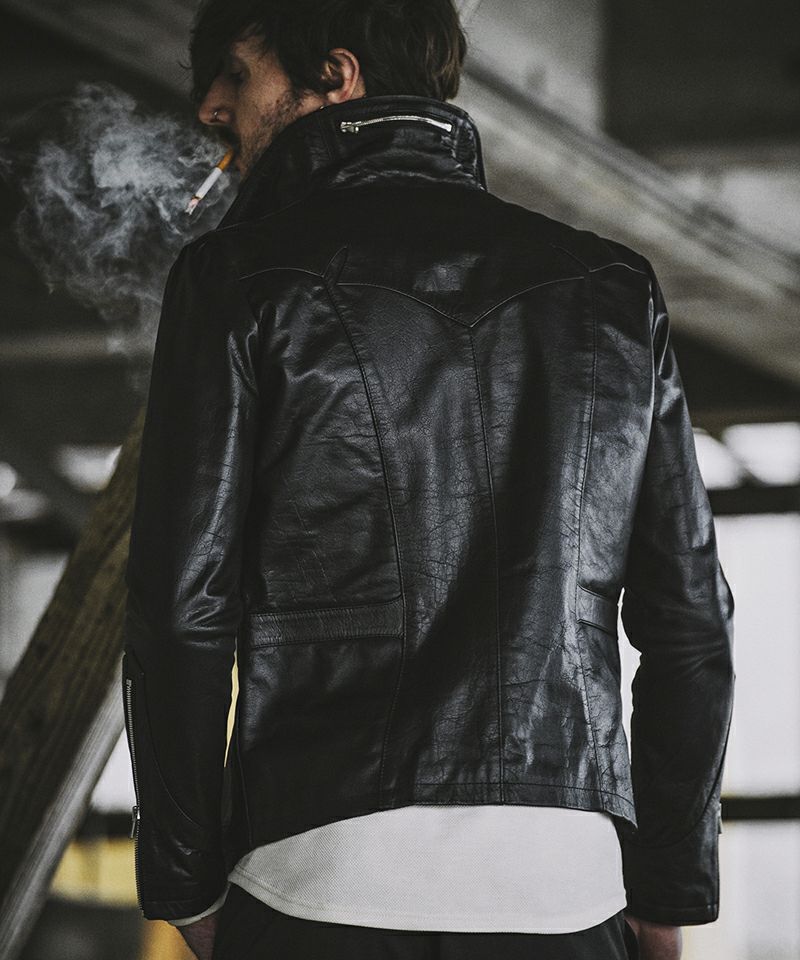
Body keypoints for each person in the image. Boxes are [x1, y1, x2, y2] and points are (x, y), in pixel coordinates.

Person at [120, 1, 736, 958]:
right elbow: (689, 621)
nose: (210, 108)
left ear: (337, 75)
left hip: (319, 875)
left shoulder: (236, 279)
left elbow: (179, 611)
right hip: (566, 888)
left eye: (235, 73)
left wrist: (182, 880)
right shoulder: (613, 290)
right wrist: (670, 889)